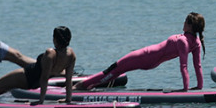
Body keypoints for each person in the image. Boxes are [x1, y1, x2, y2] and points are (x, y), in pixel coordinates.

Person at [74, 13, 205, 91]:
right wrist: (199, 87)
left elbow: (183, 67)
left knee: (113, 69)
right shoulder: (196, 42)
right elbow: (197, 66)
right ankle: (87, 86)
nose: (183, 23)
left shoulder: (183, 41)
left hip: (146, 56)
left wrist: (185, 89)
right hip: (152, 62)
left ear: (189, 25)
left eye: (185, 21)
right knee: (115, 72)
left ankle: (81, 85)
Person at [0, 26, 76, 105]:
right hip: (34, 83)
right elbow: (68, 79)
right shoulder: (71, 55)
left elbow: (44, 78)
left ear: (55, 39)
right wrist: (68, 100)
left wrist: (41, 101)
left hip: (27, 75)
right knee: (1, 89)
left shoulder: (51, 53)